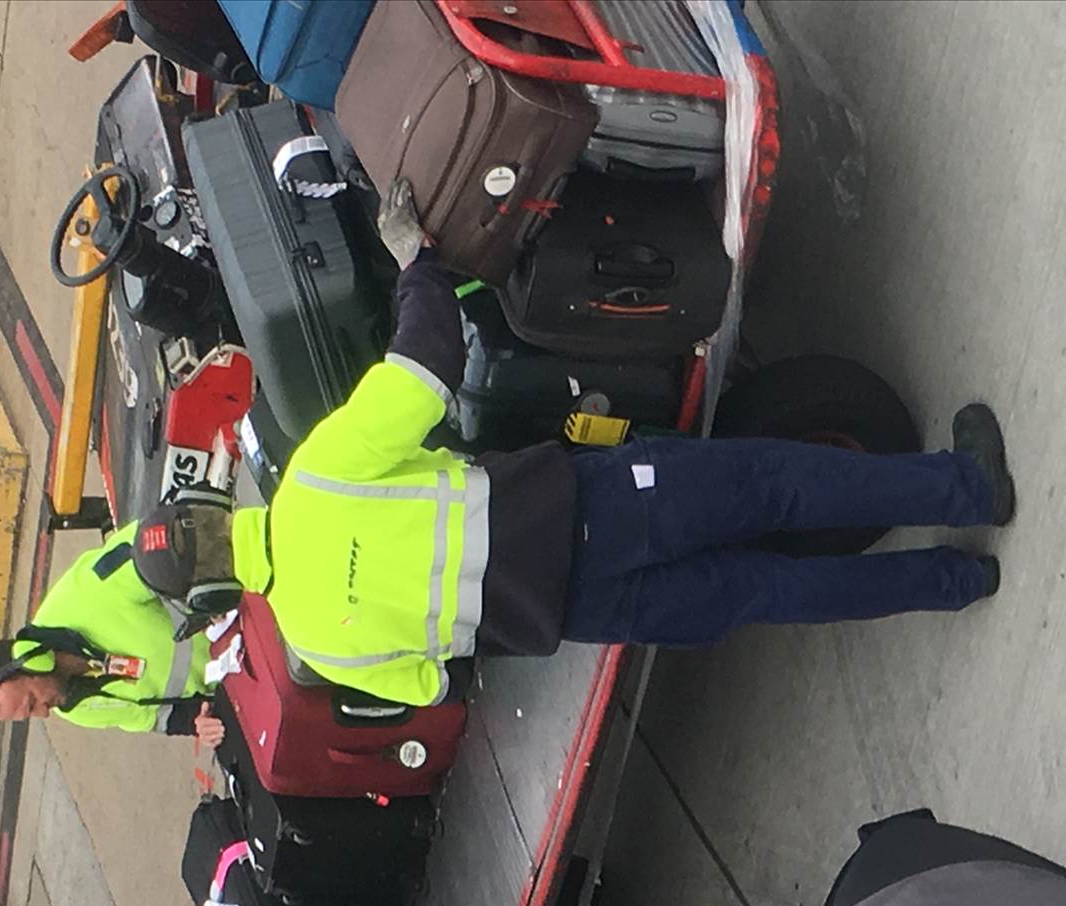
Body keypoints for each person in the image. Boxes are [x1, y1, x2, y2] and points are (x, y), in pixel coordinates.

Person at [222, 251, 1018, 706]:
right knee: (770, 486)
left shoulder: (317, 644)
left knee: (764, 590)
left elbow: (433, 687)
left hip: (582, 611)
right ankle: (966, 489)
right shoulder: (313, 482)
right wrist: (419, 268)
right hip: (588, 511)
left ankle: (956, 581)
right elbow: (424, 374)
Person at [0, 527, 231, 748]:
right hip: (232, 682)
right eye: (31, 715)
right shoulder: (79, 710)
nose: (43, 713)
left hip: (235, 615)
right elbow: (159, 717)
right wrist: (198, 723)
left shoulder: (81, 596)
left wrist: (209, 602)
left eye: (32, 703)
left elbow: (156, 543)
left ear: (31, 660)